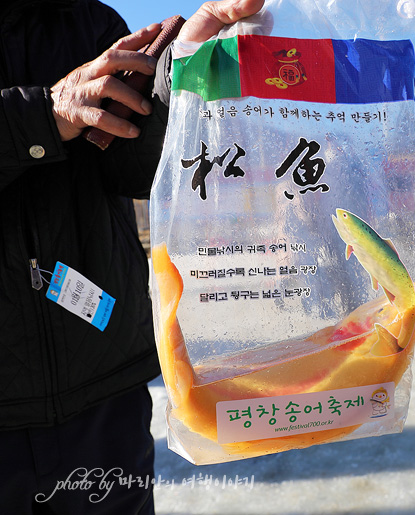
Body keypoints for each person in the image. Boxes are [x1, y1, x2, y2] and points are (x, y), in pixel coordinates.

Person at [0, 1, 264, 513]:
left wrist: (182, 74)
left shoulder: (88, 21)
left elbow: (134, 170)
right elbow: (51, 115)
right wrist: (43, 115)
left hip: (103, 385)